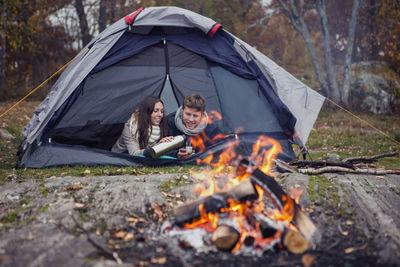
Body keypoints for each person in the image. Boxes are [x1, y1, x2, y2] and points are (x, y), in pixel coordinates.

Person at [168, 93, 220, 160]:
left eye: (195, 116)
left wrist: (196, 155)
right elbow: (160, 151)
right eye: (188, 114)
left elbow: (216, 151)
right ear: (182, 111)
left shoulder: (211, 127)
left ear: (202, 115)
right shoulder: (170, 122)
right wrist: (176, 153)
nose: (191, 119)